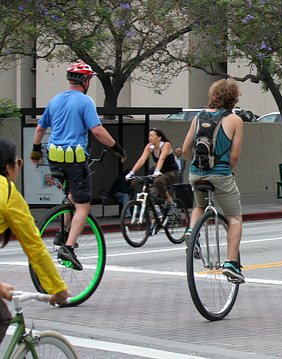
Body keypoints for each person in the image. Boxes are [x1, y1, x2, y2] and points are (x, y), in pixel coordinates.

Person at [30, 62, 127, 271]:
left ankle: (61, 232)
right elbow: (98, 131)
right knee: (84, 206)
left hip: (54, 158)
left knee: (72, 195)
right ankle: (68, 247)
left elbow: (40, 128)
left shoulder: (55, 100)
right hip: (74, 159)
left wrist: (35, 151)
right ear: (86, 81)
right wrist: (118, 148)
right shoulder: (85, 101)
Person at [1, 136, 70, 342]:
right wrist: (57, 289)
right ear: (7, 166)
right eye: (18, 163)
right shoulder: (7, 193)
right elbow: (34, 247)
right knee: (2, 318)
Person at [182, 79, 245, 282]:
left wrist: (195, 166)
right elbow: (234, 155)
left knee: (200, 206)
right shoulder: (235, 120)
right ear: (233, 99)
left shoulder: (198, 117)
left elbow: (185, 149)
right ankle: (231, 264)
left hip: (195, 173)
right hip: (220, 173)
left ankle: (192, 232)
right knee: (234, 218)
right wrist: (224, 170)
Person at [126, 128, 180, 217]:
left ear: (159, 137)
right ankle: (154, 224)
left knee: (158, 182)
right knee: (155, 199)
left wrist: (157, 170)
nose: (150, 138)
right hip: (160, 173)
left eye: (152, 136)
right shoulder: (149, 147)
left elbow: (161, 159)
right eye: (149, 136)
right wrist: (131, 173)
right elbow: (141, 160)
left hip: (172, 172)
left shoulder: (166, 145)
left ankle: (171, 203)